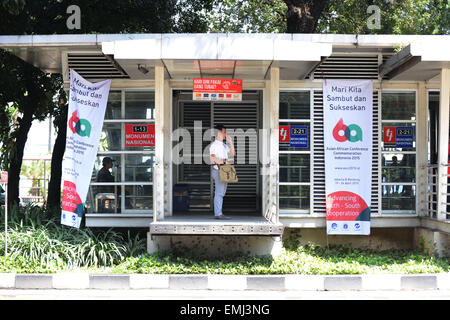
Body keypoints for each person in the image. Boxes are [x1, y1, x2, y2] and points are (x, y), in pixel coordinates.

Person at [209, 124, 236, 220]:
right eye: (224, 132)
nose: (225, 134)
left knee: (222, 192)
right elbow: (212, 158)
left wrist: (230, 142)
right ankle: (218, 213)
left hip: (224, 171)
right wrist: (224, 161)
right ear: (219, 133)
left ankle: (219, 212)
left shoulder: (224, 145)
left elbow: (233, 154)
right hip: (218, 170)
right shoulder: (214, 146)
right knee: (219, 192)